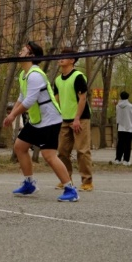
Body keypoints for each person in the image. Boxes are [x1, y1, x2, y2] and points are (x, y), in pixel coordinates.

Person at [3, 41, 79, 202]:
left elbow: (29, 101)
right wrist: (12, 114)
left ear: (31, 55)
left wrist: (12, 115)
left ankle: (70, 189)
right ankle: (29, 184)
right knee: (20, 147)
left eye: (23, 50)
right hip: (37, 120)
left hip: (50, 119)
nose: (19, 52)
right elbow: (22, 97)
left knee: (48, 155)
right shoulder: (24, 75)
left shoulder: (35, 75)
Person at [53, 47, 94, 191]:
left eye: (64, 57)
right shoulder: (58, 80)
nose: (60, 59)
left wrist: (77, 118)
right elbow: (56, 100)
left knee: (82, 151)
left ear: (72, 60)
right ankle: (66, 180)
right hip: (64, 119)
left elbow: (83, 98)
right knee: (62, 151)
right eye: (60, 56)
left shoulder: (78, 76)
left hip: (80, 119)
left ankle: (87, 181)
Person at [114, 91, 132, 165]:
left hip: (120, 127)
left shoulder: (117, 106)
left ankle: (118, 159)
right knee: (127, 144)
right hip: (129, 127)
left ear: (120, 97)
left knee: (120, 143)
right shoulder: (131, 106)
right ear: (128, 97)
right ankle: (126, 160)